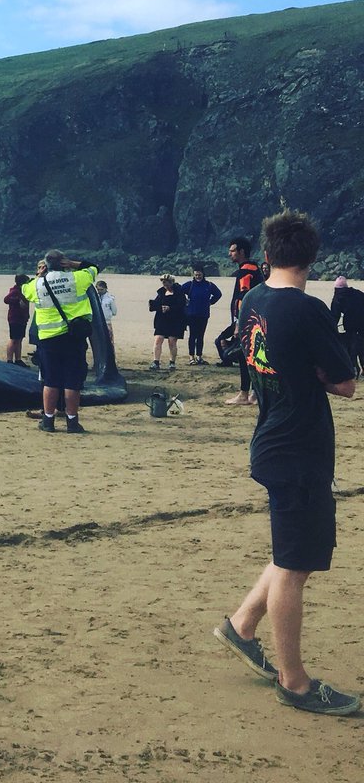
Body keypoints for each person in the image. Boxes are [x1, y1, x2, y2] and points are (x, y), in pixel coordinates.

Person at [214, 209, 359, 716]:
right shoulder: (308, 311)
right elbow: (346, 383)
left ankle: (240, 626)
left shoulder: (253, 299)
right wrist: (312, 370)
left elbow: (259, 358)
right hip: (299, 450)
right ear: (313, 259)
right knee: (295, 565)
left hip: (272, 441)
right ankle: (293, 682)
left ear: (268, 254)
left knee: (290, 551)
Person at [22, 250, 99, 434]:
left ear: (46, 265)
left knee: (50, 380)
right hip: (74, 338)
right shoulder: (76, 279)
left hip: (49, 339)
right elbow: (94, 267)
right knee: (73, 381)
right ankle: (72, 422)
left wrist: (40, 275)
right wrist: (72, 263)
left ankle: (48, 421)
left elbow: (24, 290)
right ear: (63, 262)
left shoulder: (38, 285)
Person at [225, 237, 265, 406]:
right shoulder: (255, 268)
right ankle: (254, 393)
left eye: (233, 250)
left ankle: (246, 394)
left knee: (246, 356)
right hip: (257, 319)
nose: (230, 254)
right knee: (254, 357)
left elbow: (244, 297)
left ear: (241, 252)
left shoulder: (246, 271)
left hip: (248, 321)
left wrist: (237, 323)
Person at [180, 266, 222, 364]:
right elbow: (179, 291)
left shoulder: (209, 285)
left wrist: (211, 302)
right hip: (192, 314)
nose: (198, 277)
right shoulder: (190, 285)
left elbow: (218, 294)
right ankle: (191, 357)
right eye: (196, 275)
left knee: (200, 336)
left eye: (199, 275)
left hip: (204, 314)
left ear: (203, 274)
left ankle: (199, 357)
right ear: (193, 275)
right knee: (192, 336)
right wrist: (185, 301)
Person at [148, 274, 186, 371]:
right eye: (163, 282)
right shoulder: (161, 292)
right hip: (162, 319)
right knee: (158, 340)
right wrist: (158, 307)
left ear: (171, 282)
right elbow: (154, 305)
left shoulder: (179, 292)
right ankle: (156, 362)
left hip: (175, 320)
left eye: (166, 282)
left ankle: (172, 362)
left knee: (172, 341)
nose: (164, 284)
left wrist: (170, 308)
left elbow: (182, 305)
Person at [330, 277, 364, 378]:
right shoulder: (357, 293)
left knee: (351, 349)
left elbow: (334, 316)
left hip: (351, 326)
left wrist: (332, 330)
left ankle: (354, 370)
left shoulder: (338, 298)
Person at [3, 273, 31, 365]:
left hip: (22, 318)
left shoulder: (24, 291)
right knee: (13, 339)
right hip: (14, 318)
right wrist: (17, 300)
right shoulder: (15, 291)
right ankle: (10, 359)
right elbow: (6, 299)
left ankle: (18, 359)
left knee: (19, 339)